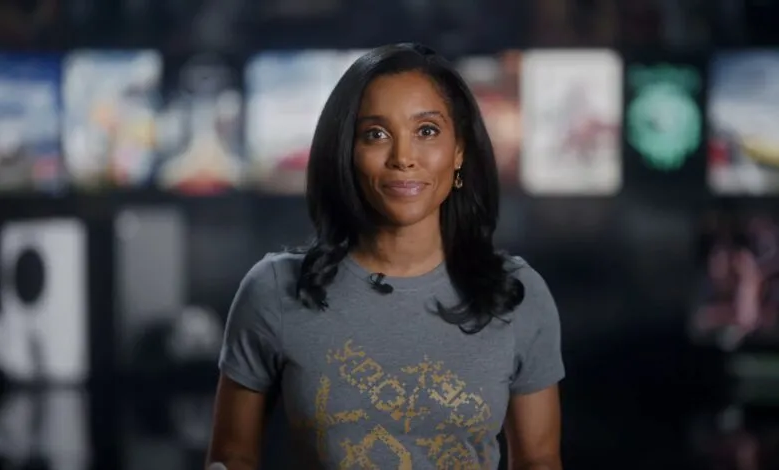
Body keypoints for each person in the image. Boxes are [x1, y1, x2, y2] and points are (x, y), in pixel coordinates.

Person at [206, 43, 564, 469]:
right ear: (347, 151)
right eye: (375, 134)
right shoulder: (275, 290)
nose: (403, 158)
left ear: (460, 151)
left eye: (427, 131)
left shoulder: (517, 295)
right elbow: (232, 456)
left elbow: (539, 461)